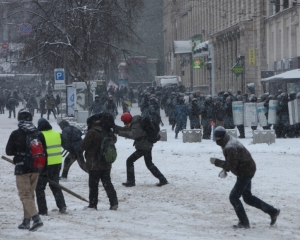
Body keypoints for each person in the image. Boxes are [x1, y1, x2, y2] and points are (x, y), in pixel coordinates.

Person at [210, 126, 280, 229]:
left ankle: (244, 222)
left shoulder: (230, 146)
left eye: (216, 137)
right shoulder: (227, 141)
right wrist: (224, 169)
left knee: (233, 197)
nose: (215, 139)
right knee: (248, 198)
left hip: (245, 171)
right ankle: (272, 211)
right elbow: (232, 161)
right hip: (246, 169)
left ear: (220, 137)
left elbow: (230, 165)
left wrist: (216, 162)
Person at [5, 108, 44, 231]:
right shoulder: (38, 133)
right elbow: (44, 151)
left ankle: (36, 218)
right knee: (30, 195)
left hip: (22, 168)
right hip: (36, 167)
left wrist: (19, 152)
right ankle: (26, 221)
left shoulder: (16, 133)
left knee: (25, 195)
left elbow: (8, 151)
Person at [113, 112, 168, 187]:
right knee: (149, 164)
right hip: (147, 145)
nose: (124, 123)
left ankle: (131, 181)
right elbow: (125, 129)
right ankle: (163, 179)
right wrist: (114, 127)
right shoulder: (134, 122)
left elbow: (132, 134)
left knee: (129, 161)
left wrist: (119, 132)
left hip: (144, 146)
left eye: (124, 121)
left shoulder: (136, 124)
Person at [81, 113, 118, 210]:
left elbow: (84, 146)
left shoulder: (92, 132)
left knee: (93, 185)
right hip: (106, 162)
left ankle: (93, 204)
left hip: (94, 163)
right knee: (107, 183)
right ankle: (114, 202)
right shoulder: (108, 131)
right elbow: (114, 140)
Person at [35, 118, 67, 216]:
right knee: (55, 185)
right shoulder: (57, 134)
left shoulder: (39, 135)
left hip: (45, 165)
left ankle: (43, 210)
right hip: (57, 164)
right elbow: (65, 145)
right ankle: (62, 206)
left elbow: (38, 151)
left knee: (40, 188)